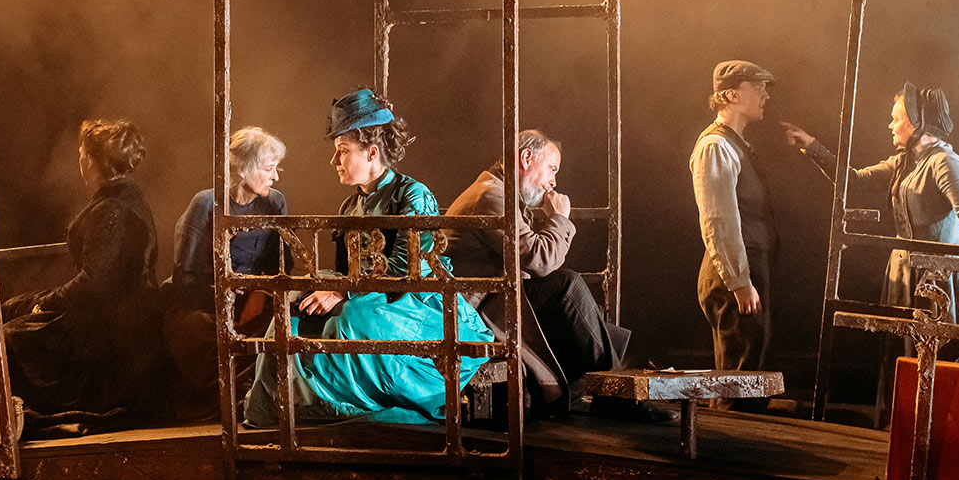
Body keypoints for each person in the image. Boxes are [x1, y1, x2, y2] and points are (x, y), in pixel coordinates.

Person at [243, 90, 495, 426]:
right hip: (366, 294)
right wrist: (328, 288)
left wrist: (346, 291)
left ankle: (336, 405)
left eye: (343, 151)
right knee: (292, 305)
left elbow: (412, 267)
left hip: (416, 302)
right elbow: (345, 269)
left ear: (372, 152)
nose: (335, 162)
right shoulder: (350, 206)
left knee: (351, 319)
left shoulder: (412, 195)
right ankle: (279, 402)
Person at [0, 118, 176, 432]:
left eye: (81, 155)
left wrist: (44, 303)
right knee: (8, 308)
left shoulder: (112, 210)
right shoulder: (121, 198)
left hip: (111, 327)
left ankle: (23, 420)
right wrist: (39, 300)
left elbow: (94, 284)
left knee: (10, 336)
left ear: (91, 162)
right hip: (110, 311)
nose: (79, 161)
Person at [445, 131, 667, 422]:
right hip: (477, 312)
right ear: (526, 159)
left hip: (497, 299)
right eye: (551, 169)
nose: (553, 181)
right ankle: (616, 395)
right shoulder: (491, 196)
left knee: (577, 304)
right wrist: (560, 219)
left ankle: (612, 390)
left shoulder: (499, 192)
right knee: (568, 285)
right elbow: (540, 259)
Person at [782, 81, 959, 361]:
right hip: (905, 277)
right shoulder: (905, 162)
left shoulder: (946, 163)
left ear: (916, 123)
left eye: (896, 119)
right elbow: (854, 181)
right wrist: (812, 147)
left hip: (940, 282)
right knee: (903, 359)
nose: (890, 126)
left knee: (939, 359)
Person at [162, 127, 288, 419]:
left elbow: (282, 262)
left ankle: (257, 398)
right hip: (201, 302)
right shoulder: (206, 204)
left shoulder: (274, 202)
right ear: (243, 169)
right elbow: (185, 275)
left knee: (284, 326)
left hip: (250, 300)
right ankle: (217, 405)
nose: (275, 176)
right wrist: (226, 309)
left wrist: (260, 292)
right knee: (200, 332)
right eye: (269, 168)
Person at [690, 60, 779, 375]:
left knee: (748, 371)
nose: (765, 95)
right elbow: (719, 221)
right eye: (756, 88)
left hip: (746, 268)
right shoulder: (716, 146)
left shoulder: (736, 144)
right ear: (731, 95)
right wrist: (740, 282)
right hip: (733, 274)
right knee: (738, 379)